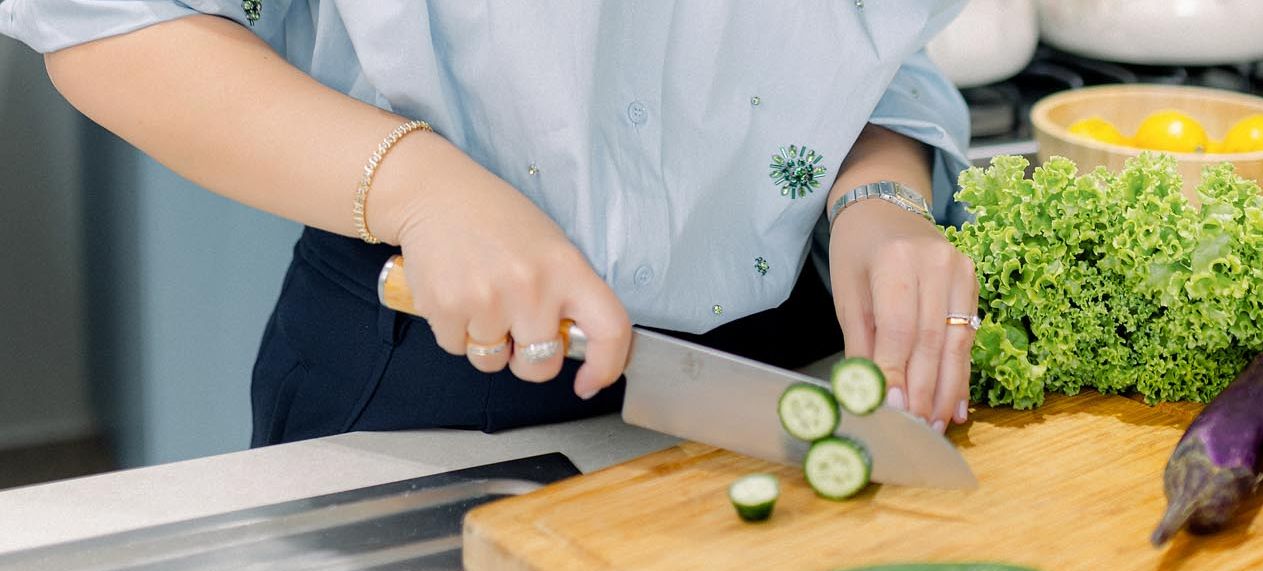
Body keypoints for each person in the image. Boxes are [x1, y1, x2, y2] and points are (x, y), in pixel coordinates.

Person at [0, 1, 980, 447]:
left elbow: (863, 43)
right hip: (433, 374)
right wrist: (424, 189)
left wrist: (880, 194)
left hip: (794, 372)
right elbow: (110, 19)